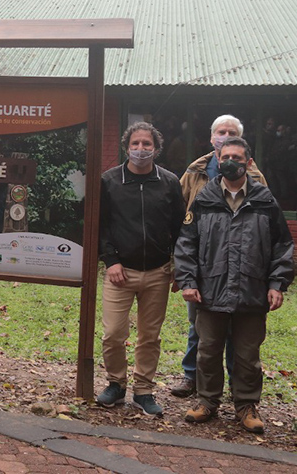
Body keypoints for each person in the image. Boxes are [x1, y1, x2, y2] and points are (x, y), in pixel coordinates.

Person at [174, 136, 293, 433]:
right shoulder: (205, 198)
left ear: (248, 163)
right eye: (226, 156)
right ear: (217, 156)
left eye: (238, 159)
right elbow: (186, 243)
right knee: (208, 350)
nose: (231, 163)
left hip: (252, 292)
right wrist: (187, 280)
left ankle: (246, 406)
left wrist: (277, 284)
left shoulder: (265, 201)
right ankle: (206, 401)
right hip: (210, 290)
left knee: (247, 356)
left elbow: (282, 246)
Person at [170, 114, 266, 398]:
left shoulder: (256, 176)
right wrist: (180, 266)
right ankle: (192, 377)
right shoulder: (194, 171)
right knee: (199, 327)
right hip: (202, 264)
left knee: (240, 333)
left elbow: (265, 224)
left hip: (241, 264)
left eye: (231, 132)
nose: (225, 135)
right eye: (220, 132)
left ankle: (239, 387)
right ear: (212, 138)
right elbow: (178, 217)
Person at [95, 122, 185, 417]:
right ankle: (116, 384)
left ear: (156, 149)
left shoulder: (170, 182)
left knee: (150, 336)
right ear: (126, 147)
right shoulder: (109, 181)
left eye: (147, 144)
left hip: (158, 272)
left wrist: (177, 266)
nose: (141, 149)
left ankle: (143, 390)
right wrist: (111, 260)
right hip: (121, 272)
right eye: (135, 143)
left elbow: (180, 227)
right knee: (113, 334)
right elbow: (101, 225)